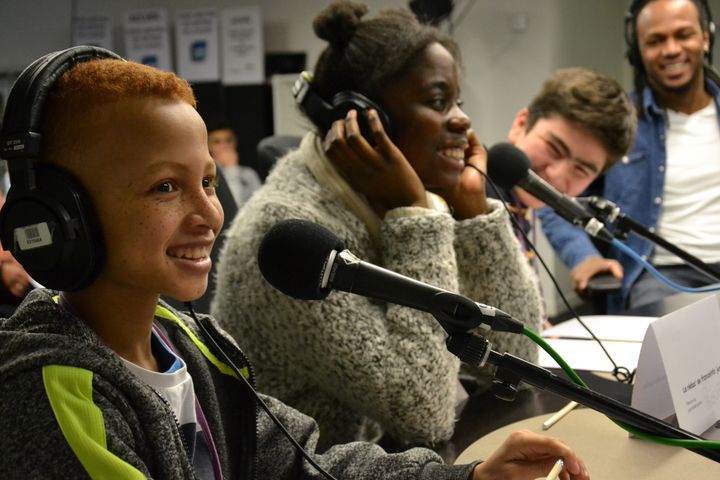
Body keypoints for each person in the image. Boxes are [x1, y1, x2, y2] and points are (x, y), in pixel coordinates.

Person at [0, 46, 591, 480]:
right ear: (59, 221)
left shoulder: (185, 339)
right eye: (164, 188)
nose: (209, 213)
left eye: (208, 181)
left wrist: (467, 478)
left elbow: (300, 464)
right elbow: (422, 409)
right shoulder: (56, 391)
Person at [212, 1, 545, 451]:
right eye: (437, 102)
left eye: (458, 103)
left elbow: (518, 359)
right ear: (367, 122)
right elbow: (425, 414)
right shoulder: (290, 229)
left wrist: (472, 213)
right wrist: (415, 217)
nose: (463, 121)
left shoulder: (390, 200)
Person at [540, 0, 720, 313]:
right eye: (655, 41)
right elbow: (553, 200)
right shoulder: (616, 124)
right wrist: (584, 256)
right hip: (659, 279)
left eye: (683, 35)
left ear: (705, 38)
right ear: (637, 51)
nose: (671, 50)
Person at [493, 68, 635, 266]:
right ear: (521, 125)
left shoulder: (520, 209)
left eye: (581, 170)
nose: (556, 175)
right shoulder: (472, 198)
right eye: (554, 148)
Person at [206, 118, 262, 208]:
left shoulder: (249, 174)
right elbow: (229, 209)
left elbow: (259, 208)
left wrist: (231, 168)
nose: (224, 146)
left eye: (228, 140)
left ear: (235, 142)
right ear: (208, 145)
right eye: (217, 142)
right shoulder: (205, 176)